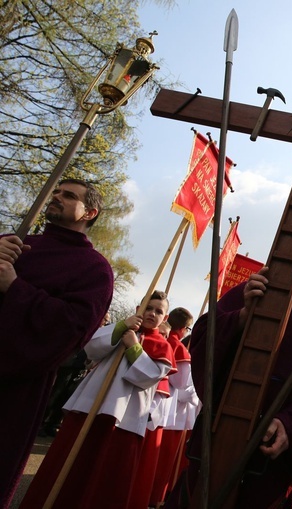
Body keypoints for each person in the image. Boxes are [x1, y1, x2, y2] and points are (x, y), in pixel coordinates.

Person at [172, 224, 292, 509]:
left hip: (270, 449)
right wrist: (241, 317)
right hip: (220, 433)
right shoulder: (250, 290)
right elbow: (201, 339)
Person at [0, 178, 114, 508]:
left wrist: (15, 289)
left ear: (89, 212)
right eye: (57, 192)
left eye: (69, 196)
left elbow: (71, 330)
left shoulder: (95, 270)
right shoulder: (15, 244)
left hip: (15, 391)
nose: (57, 198)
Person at [20, 290, 175, 509]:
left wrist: (134, 347)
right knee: (70, 463)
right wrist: (122, 327)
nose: (151, 313)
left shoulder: (163, 346)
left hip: (123, 418)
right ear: (138, 308)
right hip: (90, 405)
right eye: (147, 308)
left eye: (158, 311)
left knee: (104, 473)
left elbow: (150, 376)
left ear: (165, 318)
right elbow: (91, 348)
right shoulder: (123, 327)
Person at [149, 308, 197, 508]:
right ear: (184, 328)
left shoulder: (162, 339)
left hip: (155, 404)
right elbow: (183, 386)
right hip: (172, 411)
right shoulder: (178, 347)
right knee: (162, 461)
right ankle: (155, 498)